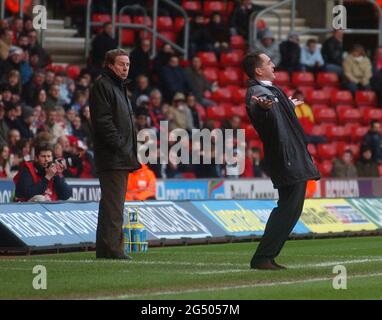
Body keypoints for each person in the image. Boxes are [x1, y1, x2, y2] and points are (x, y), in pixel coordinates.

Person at [243, 51, 320, 270]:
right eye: (268, 63)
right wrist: (266, 109)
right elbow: (260, 111)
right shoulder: (258, 92)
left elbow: (274, 113)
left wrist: (287, 107)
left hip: (290, 155)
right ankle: (263, 257)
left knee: (291, 208)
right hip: (286, 156)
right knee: (288, 207)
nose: (273, 65)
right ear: (259, 70)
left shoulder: (269, 91)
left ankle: (266, 256)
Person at [89, 48, 141, 260]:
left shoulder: (118, 87)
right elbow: (103, 121)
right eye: (121, 64)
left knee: (110, 205)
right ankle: (114, 249)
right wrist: (120, 145)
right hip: (113, 156)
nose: (125, 68)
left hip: (119, 155)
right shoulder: (103, 85)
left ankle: (104, 248)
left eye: (127, 64)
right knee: (114, 207)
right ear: (110, 65)